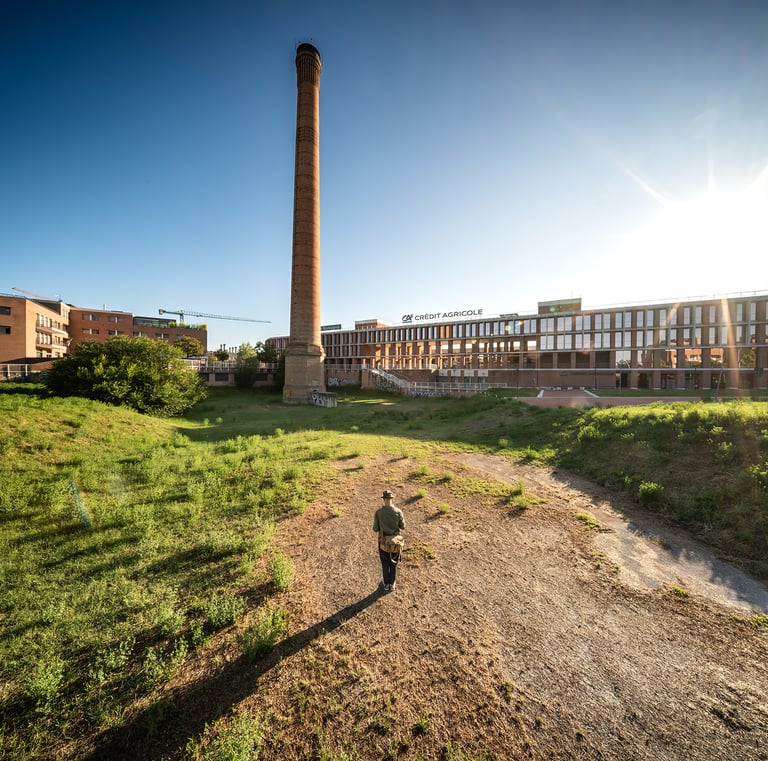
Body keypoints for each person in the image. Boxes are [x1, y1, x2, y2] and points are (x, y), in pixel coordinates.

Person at [373, 489, 405, 592]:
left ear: (384, 499)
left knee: (385, 563)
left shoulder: (379, 512)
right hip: (395, 543)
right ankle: (392, 583)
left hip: (383, 542)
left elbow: (375, 529)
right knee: (394, 563)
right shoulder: (398, 511)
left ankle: (386, 584)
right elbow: (403, 526)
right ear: (392, 498)